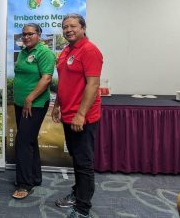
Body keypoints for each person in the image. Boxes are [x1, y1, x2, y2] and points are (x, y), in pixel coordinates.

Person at [52, 13, 103, 218]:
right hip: (68, 115)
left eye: (73, 26)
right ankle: (77, 192)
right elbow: (64, 82)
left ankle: (83, 209)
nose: (68, 30)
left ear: (83, 28)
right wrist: (57, 105)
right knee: (76, 158)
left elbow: (93, 85)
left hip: (83, 117)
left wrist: (81, 114)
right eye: (65, 27)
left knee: (84, 162)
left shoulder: (90, 51)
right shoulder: (66, 51)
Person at [12, 23, 55, 199]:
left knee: (22, 142)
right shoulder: (23, 52)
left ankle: (25, 184)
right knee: (29, 141)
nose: (26, 37)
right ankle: (35, 177)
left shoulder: (45, 53)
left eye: (30, 34)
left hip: (35, 104)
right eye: (24, 34)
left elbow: (46, 78)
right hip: (20, 104)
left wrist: (30, 98)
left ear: (39, 35)